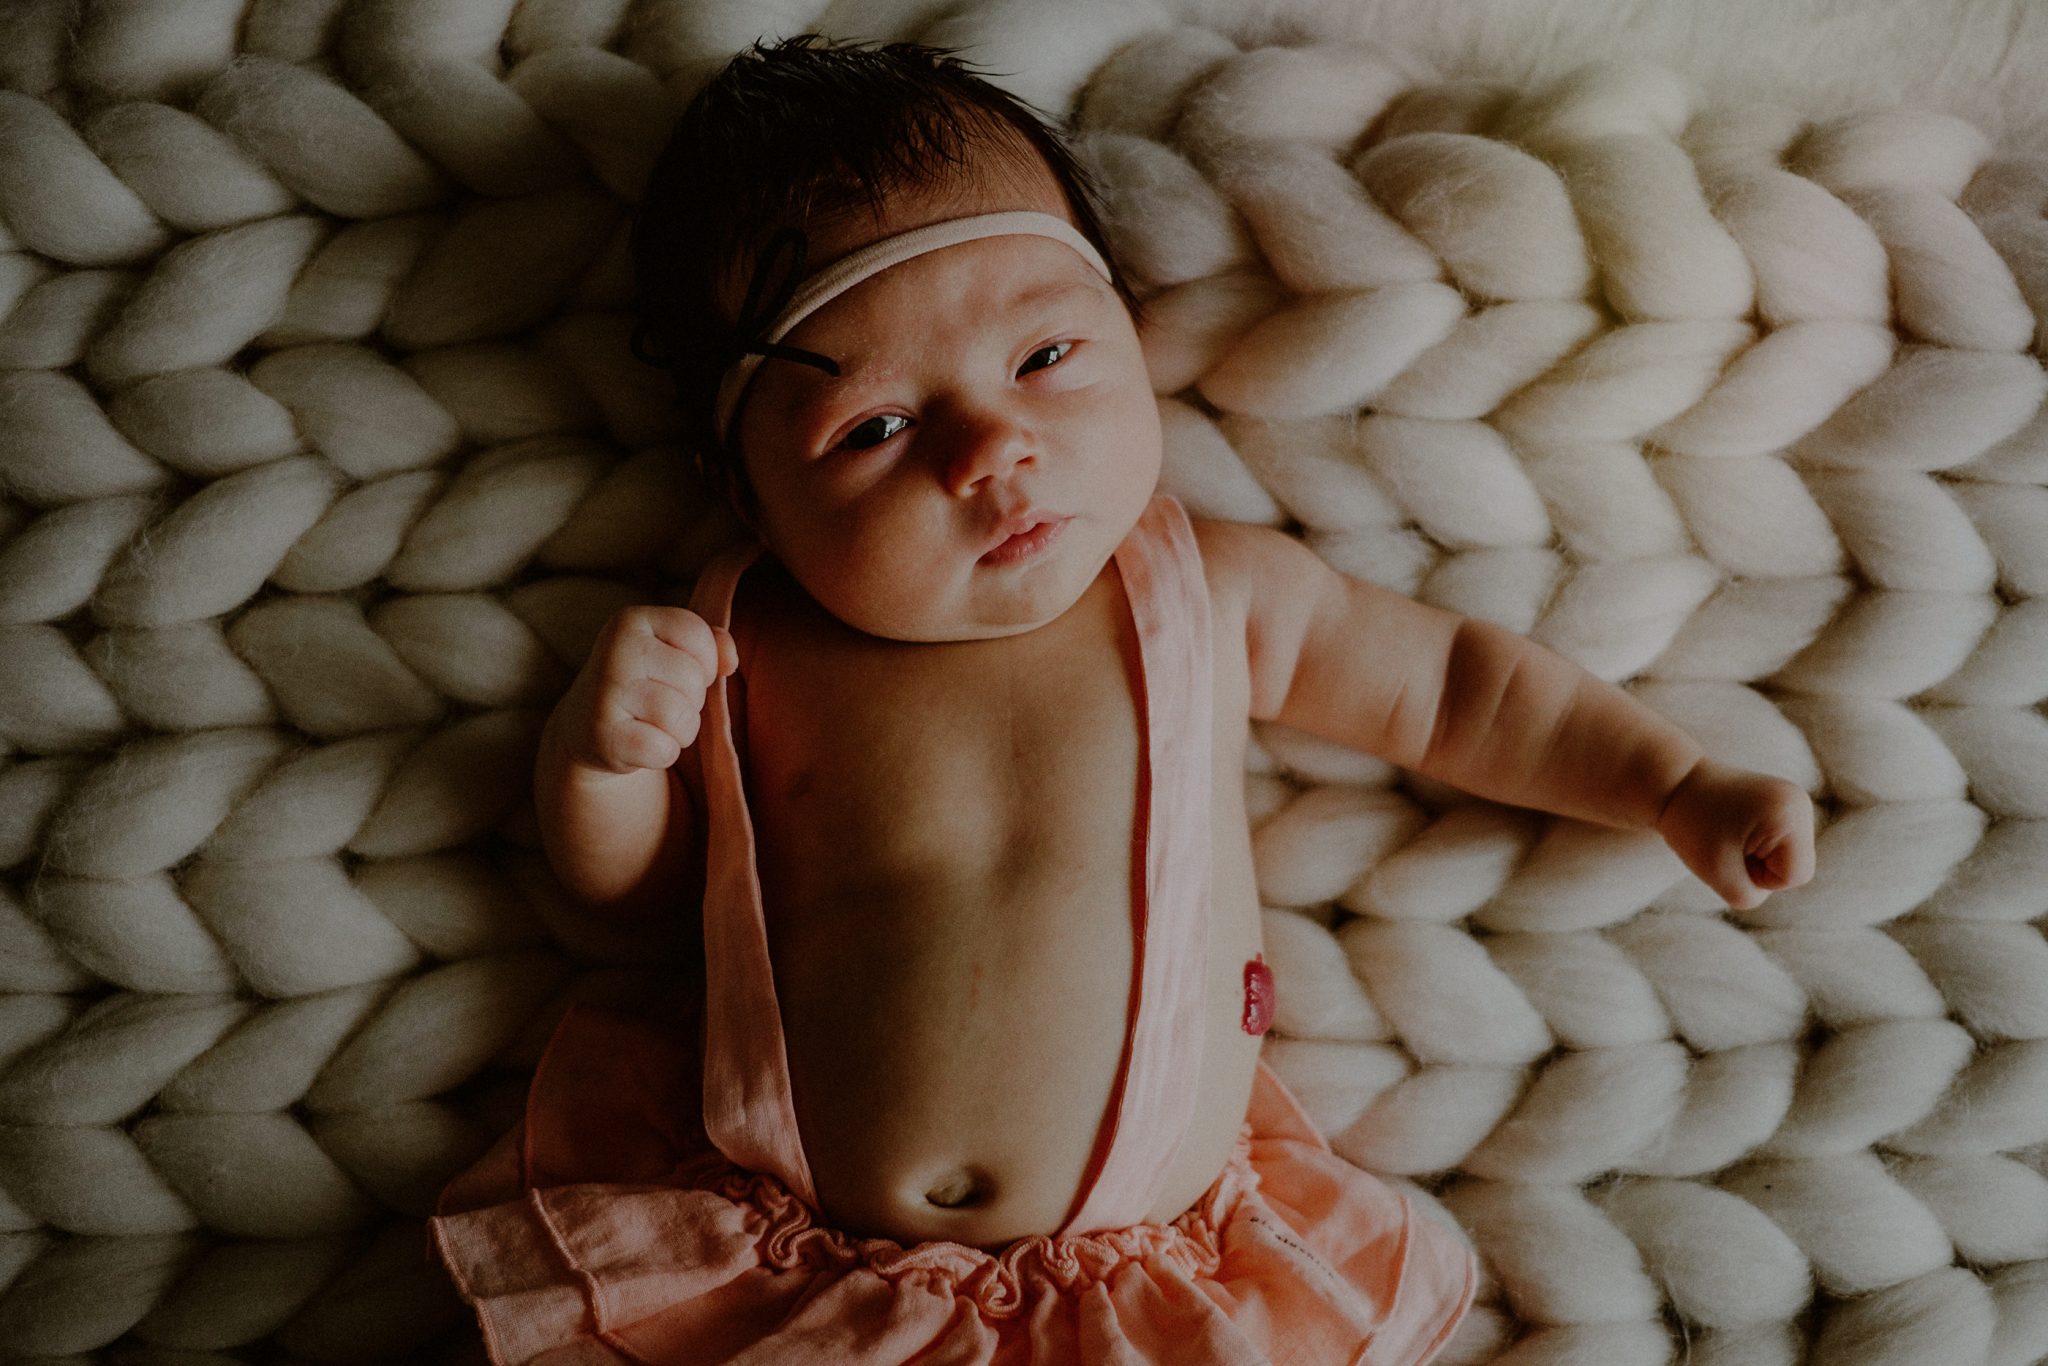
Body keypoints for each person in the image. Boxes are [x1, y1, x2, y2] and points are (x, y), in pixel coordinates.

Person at [427, 33, 1816, 1365]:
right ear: (746, 491)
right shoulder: (747, 646)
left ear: (1129, 332)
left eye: (1044, 359)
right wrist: (603, 764)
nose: (990, 450)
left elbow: (1455, 688)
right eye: (874, 429)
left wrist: (1672, 784)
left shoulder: (1203, 587)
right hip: (815, 1286)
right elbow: (648, 910)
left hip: (1149, 1283)